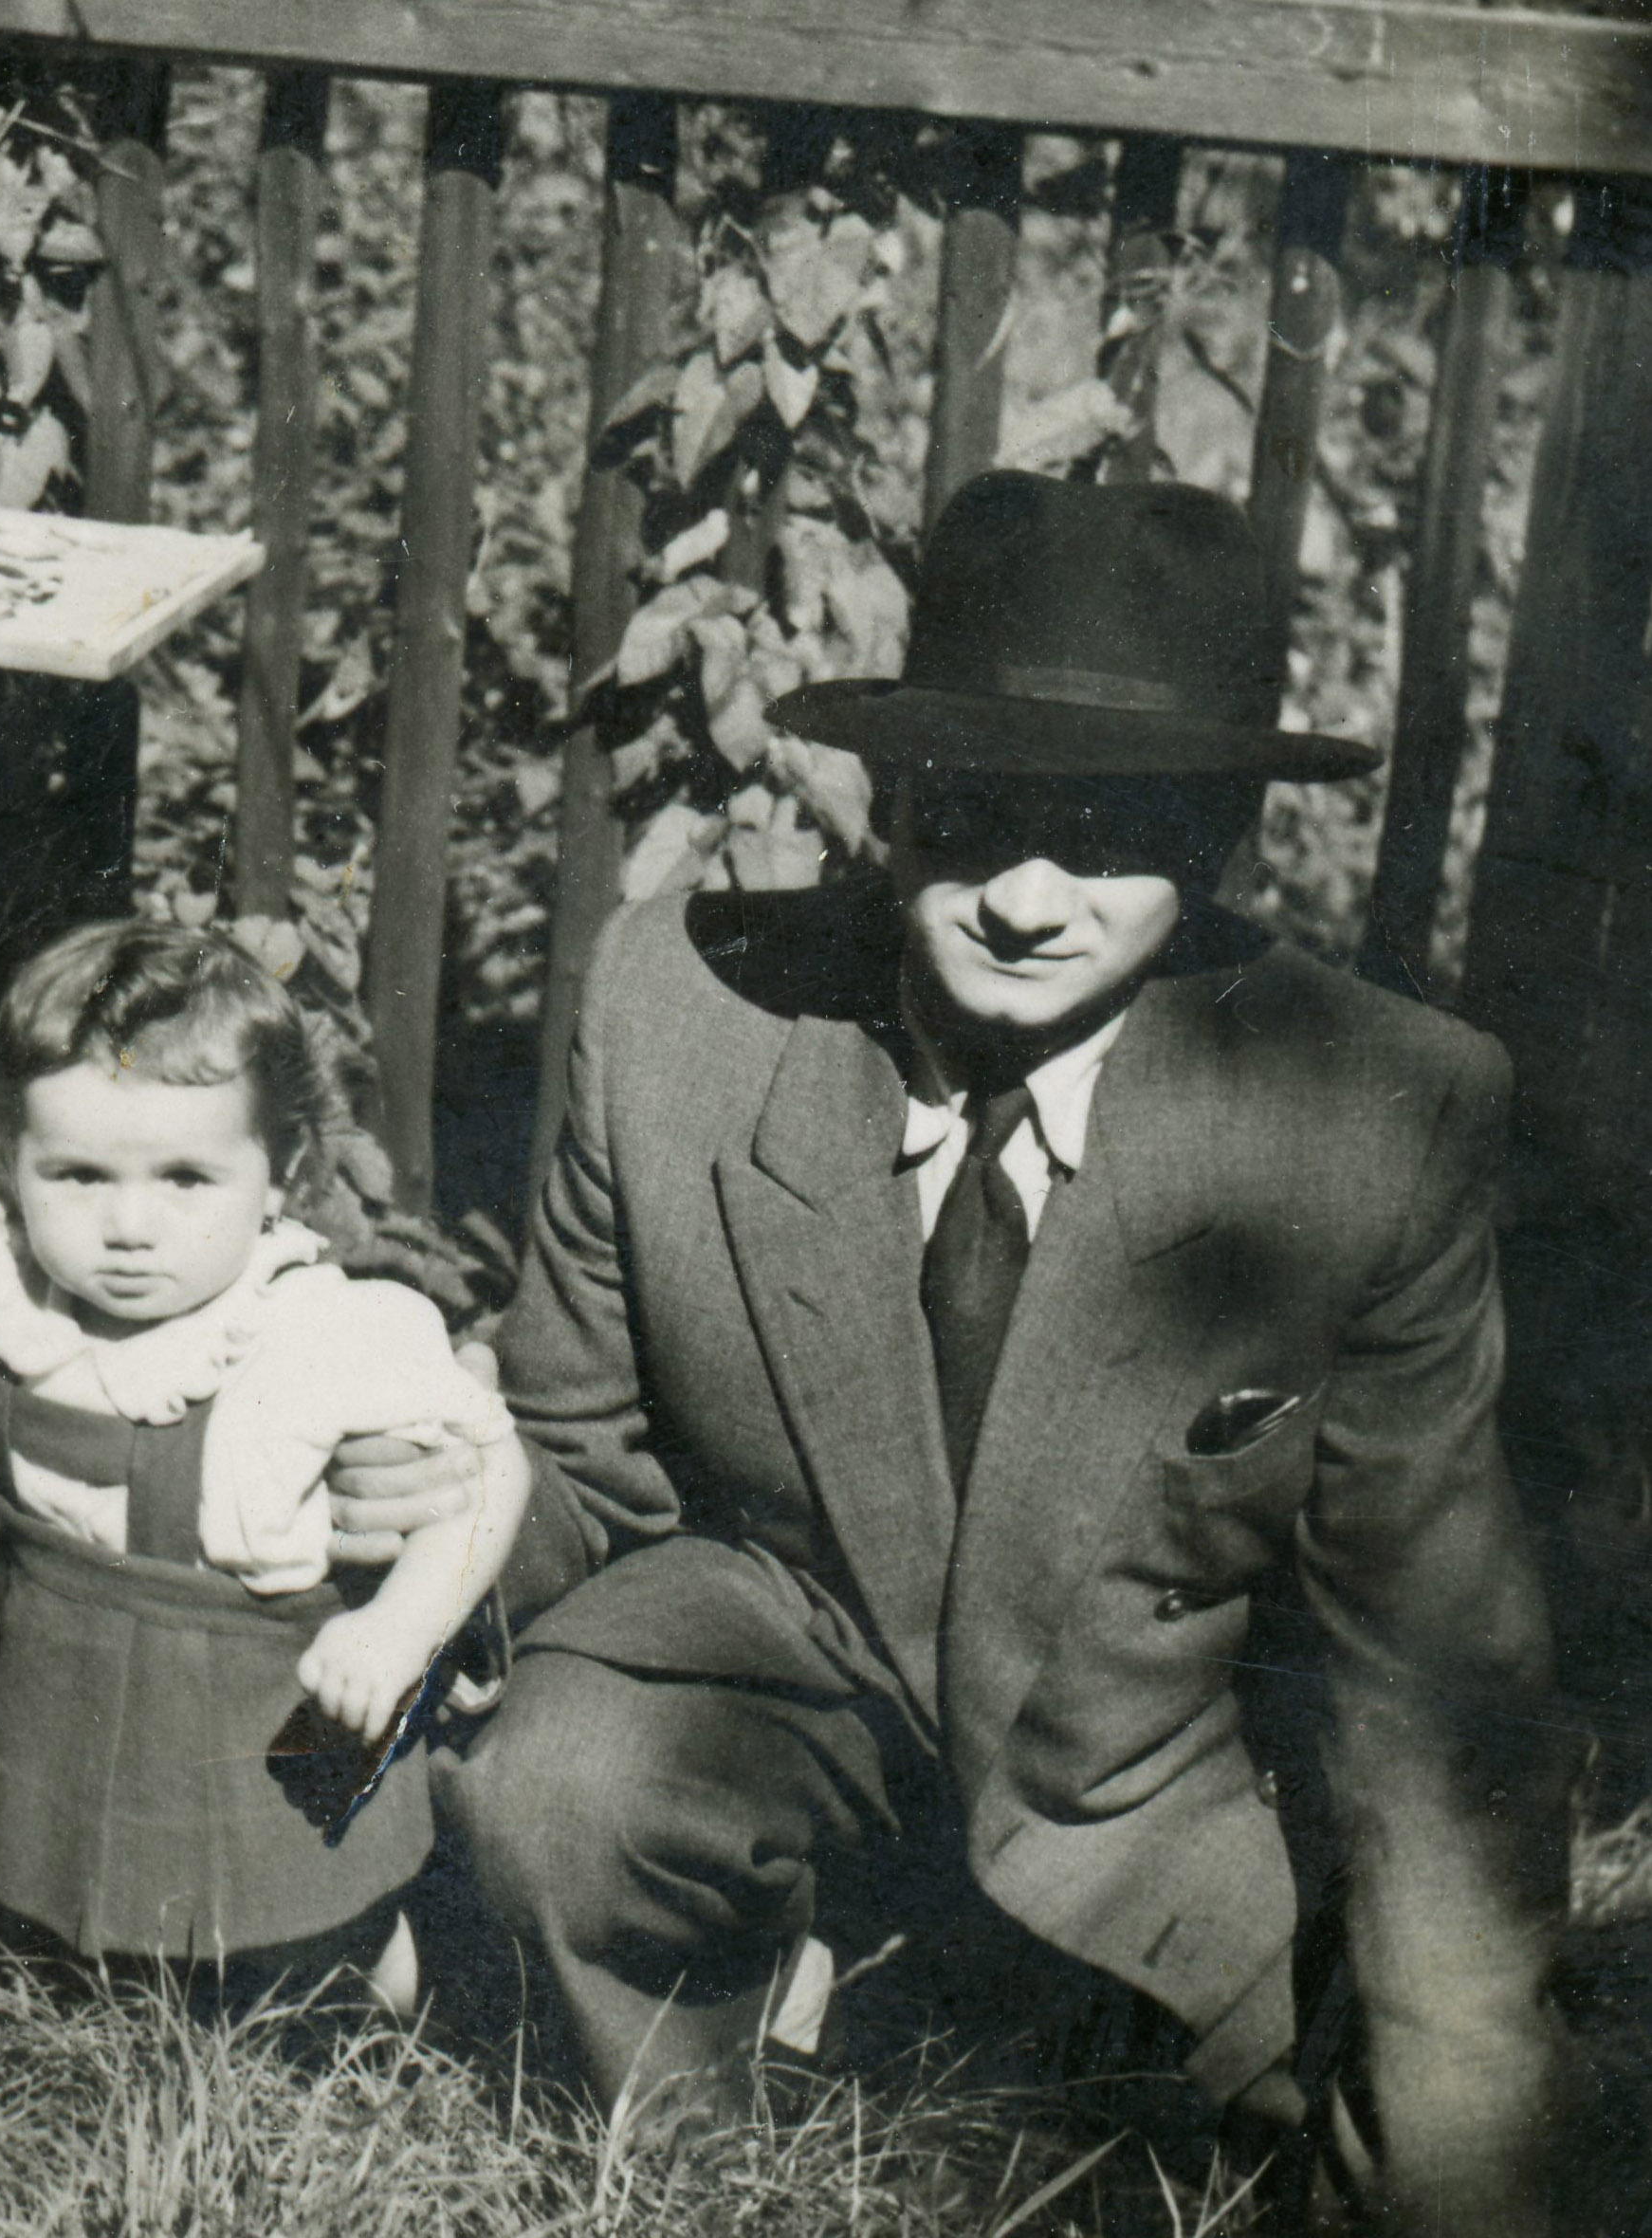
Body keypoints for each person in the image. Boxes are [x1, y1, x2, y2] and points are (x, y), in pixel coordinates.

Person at [431, 473, 1566, 2229]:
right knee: (559, 1780)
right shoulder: (676, 1015)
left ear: (1220, 848)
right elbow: (575, 1464)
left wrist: (1468, 2163)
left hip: (1144, 1793)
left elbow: (1426, 1673)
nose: (1026, 896)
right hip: (784, 1677)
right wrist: (400, 1520)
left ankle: (1013, 2042)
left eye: (1108, 832)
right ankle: (687, 2155)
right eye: (969, 818)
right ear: (886, 802)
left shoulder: (1369, 1115)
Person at [0, 919, 526, 2004]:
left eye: (185, 1178)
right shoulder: (9, 1298)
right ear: (9, 1158)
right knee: (80, 1942)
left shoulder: (308, 1334)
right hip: (76, 1709)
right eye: (75, 1173)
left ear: (282, 1171)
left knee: (316, 1938)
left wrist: (399, 1627)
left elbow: (489, 1467)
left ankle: (381, 1973)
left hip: (270, 1720)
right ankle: (99, 1963)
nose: (127, 1225)